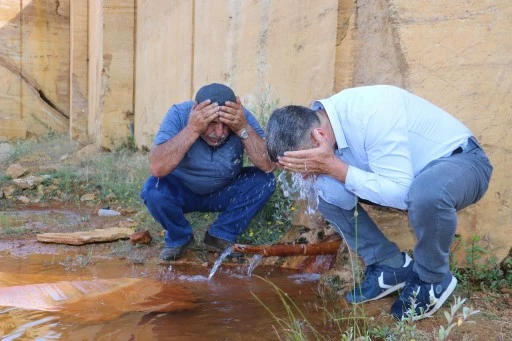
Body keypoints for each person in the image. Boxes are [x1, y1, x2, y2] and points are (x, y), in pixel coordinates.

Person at [265, 85, 493, 320]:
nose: (301, 175)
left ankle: (432, 278)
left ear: (319, 137)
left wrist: (336, 168)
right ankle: (389, 266)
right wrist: (327, 174)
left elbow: (402, 192)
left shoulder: (372, 114)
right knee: (323, 191)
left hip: (462, 163)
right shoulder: (324, 124)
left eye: (303, 165)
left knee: (426, 193)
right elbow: (341, 195)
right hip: (410, 178)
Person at [141, 83, 276, 261]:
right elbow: (157, 167)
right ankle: (180, 238)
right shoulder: (179, 114)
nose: (219, 133)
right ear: (195, 109)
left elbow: (268, 165)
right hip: (182, 191)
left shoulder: (240, 117)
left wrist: (242, 128)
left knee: (265, 180)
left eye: (225, 125)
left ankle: (220, 235)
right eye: (211, 123)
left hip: (225, 190)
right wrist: (193, 129)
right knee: (153, 189)